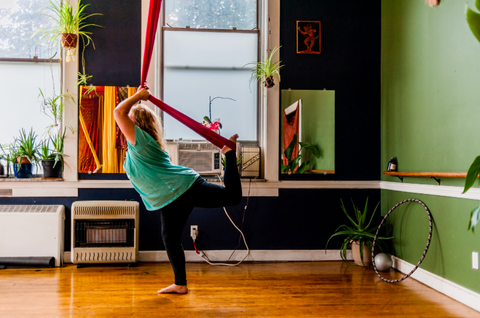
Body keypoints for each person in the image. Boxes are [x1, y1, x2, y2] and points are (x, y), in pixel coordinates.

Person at [114, 87, 242, 294]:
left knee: (233, 197)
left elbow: (118, 112)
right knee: (170, 238)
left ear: (136, 124)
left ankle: (229, 154)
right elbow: (123, 114)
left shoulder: (141, 142)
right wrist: (137, 100)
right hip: (169, 197)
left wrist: (138, 98)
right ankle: (180, 284)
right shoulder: (139, 145)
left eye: (129, 119)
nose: (123, 123)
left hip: (184, 187)